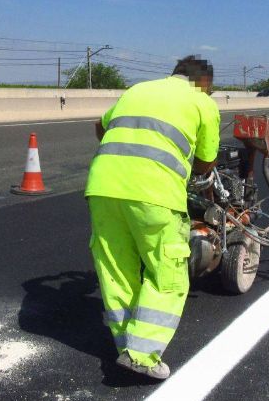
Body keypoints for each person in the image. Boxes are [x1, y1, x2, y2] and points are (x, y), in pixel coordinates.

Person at [85, 55, 220, 379]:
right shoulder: (202, 103)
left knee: (116, 270)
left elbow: (100, 126)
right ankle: (143, 355)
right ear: (204, 83)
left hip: (102, 188)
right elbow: (205, 164)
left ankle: (126, 347)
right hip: (155, 195)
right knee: (167, 272)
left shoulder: (137, 90)